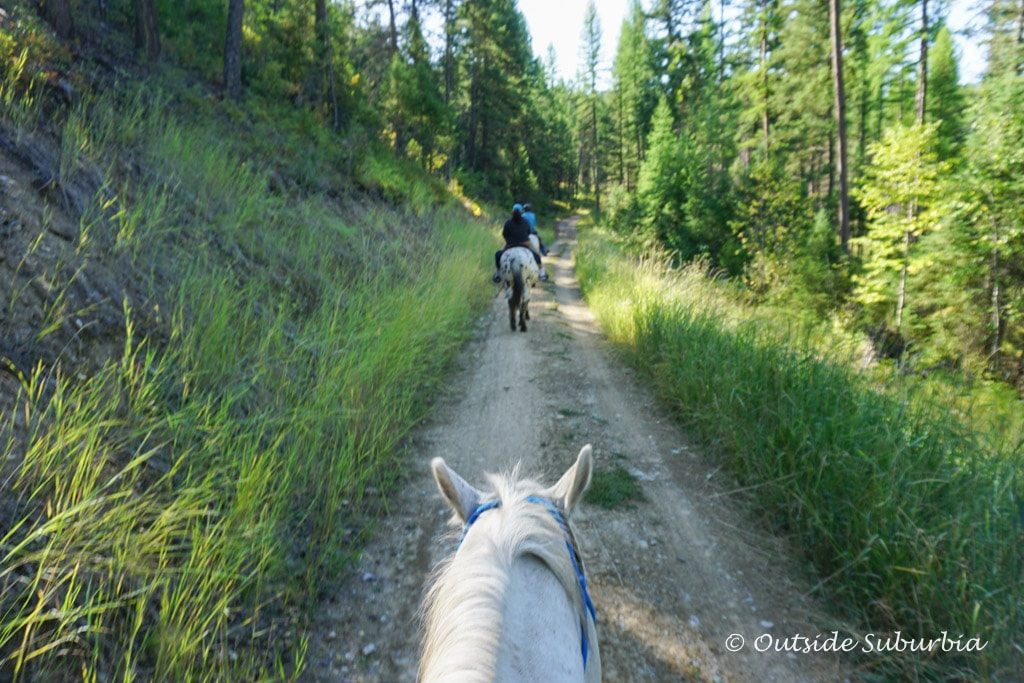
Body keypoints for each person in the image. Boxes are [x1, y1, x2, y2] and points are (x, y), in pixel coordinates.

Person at [493, 203, 547, 283]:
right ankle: (542, 273)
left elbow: (504, 234)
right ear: (521, 212)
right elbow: (529, 233)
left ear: (512, 211)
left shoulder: (508, 222)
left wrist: (510, 239)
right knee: (537, 255)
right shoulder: (525, 222)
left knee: (498, 254)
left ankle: (497, 273)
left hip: (510, 244)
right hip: (525, 243)